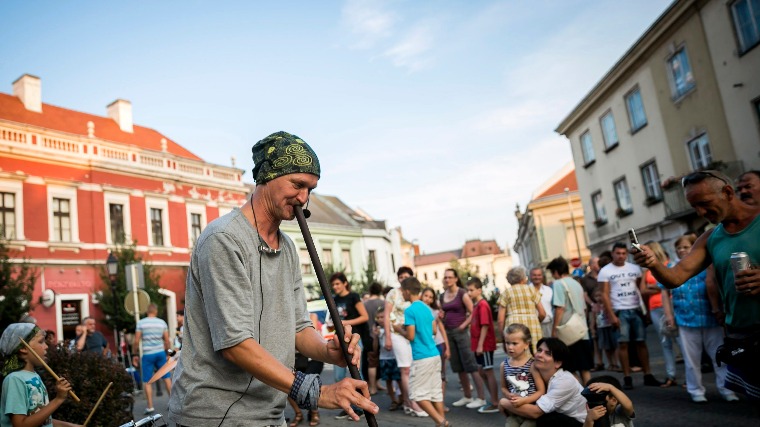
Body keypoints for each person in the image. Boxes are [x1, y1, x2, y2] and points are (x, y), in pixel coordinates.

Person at [167, 131, 378, 426]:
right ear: (267, 176)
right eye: (297, 185)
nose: (303, 198)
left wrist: (328, 351)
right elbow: (235, 344)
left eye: (310, 189)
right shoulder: (224, 239)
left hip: (269, 413)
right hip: (216, 415)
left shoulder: (287, 247)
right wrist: (318, 392)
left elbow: (298, 327)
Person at [633, 169, 760, 399]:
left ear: (727, 192)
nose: (701, 212)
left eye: (704, 203)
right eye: (694, 207)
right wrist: (653, 263)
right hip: (741, 336)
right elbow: (676, 277)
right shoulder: (711, 238)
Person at [662, 234, 737, 403]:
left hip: (711, 317)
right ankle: (695, 390)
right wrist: (669, 315)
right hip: (685, 319)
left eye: (686, 247)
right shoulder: (672, 267)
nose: (682, 250)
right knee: (691, 359)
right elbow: (664, 292)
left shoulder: (707, 266)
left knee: (719, 356)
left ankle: (727, 389)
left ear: (694, 248)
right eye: (679, 248)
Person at [598, 243, 661, 390]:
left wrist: (646, 311)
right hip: (619, 310)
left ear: (627, 254)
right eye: (618, 253)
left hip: (636, 309)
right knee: (623, 344)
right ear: (612, 254)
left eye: (623, 253)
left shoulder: (634, 269)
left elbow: (641, 289)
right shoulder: (605, 271)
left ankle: (648, 374)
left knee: (641, 342)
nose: (621, 256)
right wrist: (611, 315)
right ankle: (627, 377)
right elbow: (604, 295)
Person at [394, 276, 450, 427]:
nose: (402, 294)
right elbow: (434, 330)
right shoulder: (426, 308)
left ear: (407, 291)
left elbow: (410, 336)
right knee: (435, 392)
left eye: (402, 291)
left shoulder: (410, 310)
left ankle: (441, 422)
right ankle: (441, 423)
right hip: (434, 354)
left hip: (421, 356)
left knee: (416, 395)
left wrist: (399, 329)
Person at [0, 323, 80, 427]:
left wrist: (71, 426)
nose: (46, 346)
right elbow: (20, 424)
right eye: (41, 341)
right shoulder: (15, 379)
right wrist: (58, 399)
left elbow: (43, 420)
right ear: (23, 348)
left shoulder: (34, 376)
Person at [500, 338, 587, 427]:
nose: (539, 355)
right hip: (561, 417)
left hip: (580, 423)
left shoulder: (564, 381)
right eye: (539, 350)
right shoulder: (537, 375)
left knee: (546, 419)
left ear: (557, 363)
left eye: (548, 353)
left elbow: (536, 412)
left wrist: (504, 403)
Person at [440, 268, 487, 410]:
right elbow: (441, 312)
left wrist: (463, 325)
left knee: (471, 365)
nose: (447, 279)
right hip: (448, 333)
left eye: (450, 277)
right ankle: (467, 396)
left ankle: (481, 398)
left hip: (461, 333)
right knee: (458, 366)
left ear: (455, 279)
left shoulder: (462, 293)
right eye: (445, 277)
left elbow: (473, 312)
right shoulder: (442, 295)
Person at [384, 266, 426, 417]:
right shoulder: (393, 293)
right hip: (397, 334)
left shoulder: (414, 294)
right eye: (401, 277)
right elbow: (386, 315)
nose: (403, 279)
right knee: (405, 368)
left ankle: (415, 400)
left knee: (415, 367)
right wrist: (387, 337)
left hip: (412, 334)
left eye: (406, 277)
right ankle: (410, 401)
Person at [326, 272, 369, 420]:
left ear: (345, 283)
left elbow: (365, 316)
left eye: (337, 283)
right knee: (338, 376)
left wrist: (344, 322)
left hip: (354, 339)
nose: (335, 286)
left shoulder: (353, 296)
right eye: (333, 284)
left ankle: (361, 407)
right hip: (339, 340)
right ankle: (348, 407)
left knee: (356, 373)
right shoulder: (334, 299)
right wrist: (333, 325)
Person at [547, 256, 593, 385]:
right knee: (584, 368)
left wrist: (554, 330)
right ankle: (590, 393)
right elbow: (584, 307)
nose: (553, 276)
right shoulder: (576, 283)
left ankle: (579, 393)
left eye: (552, 273)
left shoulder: (558, 284)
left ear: (556, 271)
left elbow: (560, 308)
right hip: (581, 330)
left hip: (567, 332)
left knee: (570, 368)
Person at [642, 241, 680, 388]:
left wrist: (654, 287)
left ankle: (691, 378)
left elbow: (673, 284)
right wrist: (661, 287)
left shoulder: (668, 265)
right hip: (654, 308)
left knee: (680, 340)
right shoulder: (647, 269)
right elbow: (643, 290)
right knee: (665, 342)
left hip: (670, 305)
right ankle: (671, 375)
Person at [499, 323, 545, 427]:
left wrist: (524, 400)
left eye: (514, 343)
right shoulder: (504, 365)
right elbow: (503, 387)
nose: (510, 347)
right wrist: (508, 394)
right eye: (507, 343)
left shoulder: (532, 365)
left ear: (526, 344)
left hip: (530, 411)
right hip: (514, 411)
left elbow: (541, 391)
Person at [466, 277, 500, 413]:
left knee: (488, 371)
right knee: (482, 371)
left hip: (485, 345)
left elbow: (485, 325)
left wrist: (480, 345)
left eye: (471, 290)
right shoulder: (476, 305)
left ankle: (495, 402)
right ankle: (492, 400)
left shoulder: (483, 305)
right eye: (468, 290)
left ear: (479, 290)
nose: (469, 293)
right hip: (478, 345)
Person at [133, 303, 172, 415]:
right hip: (160, 353)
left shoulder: (141, 323)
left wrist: (134, 354)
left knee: (147, 381)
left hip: (148, 354)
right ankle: (172, 403)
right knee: (166, 377)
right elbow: (167, 340)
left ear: (147, 311)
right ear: (156, 311)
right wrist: (168, 353)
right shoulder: (162, 322)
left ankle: (150, 406)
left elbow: (136, 341)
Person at [288, 312, 325, 427]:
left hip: (312, 358)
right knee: (288, 385)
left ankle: (314, 412)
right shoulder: (285, 317)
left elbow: (309, 337)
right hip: (296, 358)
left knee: (310, 384)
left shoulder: (311, 316)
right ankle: (298, 414)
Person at [497, 267, 546, 353]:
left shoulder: (506, 293)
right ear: (523, 279)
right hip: (532, 324)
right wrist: (536, 321)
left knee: (516, 353)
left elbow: (500, 320)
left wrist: (503, 336)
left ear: (509, 280)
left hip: (513, 324)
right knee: (535, 352)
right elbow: (542, 313)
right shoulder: (532, 290)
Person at [421, 287, 450, 406]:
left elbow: (441, 329)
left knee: (441, 374)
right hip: (425, 346)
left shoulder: (435, 311)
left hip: (438, 344)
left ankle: (441, 404)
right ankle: (431, 403)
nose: (428, 299)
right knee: (428, 375)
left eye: (431, 297)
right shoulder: (416, 309)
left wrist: (447, 347)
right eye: (426, 296)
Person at [374, 307, 402, 411]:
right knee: (388, 381)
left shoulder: (393, 328)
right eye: (378, 317)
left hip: (395, 357)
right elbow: (375, 347)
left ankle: (402, 398)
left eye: (382, 317)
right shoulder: (378, 330)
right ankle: (394, 400)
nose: (380, 319)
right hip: (384, 358)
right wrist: (375, 336)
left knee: (399, 380)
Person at [590, 288, 620, 373]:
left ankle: (616, 363)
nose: (598, 298)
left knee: (614, 345)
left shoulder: (609, 304)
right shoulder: (595, 307)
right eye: (596, 296)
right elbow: (593, 318)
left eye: (600, 295)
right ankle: (610, 363)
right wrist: (593, 328)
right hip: (601, 328)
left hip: (610, 326)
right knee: (606, 347)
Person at [363, 282, 385, 395]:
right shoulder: (383, 303)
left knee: (371, 361)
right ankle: (375, 384)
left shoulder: (364, 304)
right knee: (378, 361)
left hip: (369, 336)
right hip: (382, 335)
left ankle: (373, 386)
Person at [529, 268, 554, 339]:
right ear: (530, 276)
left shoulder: (549, 290)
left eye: (539, 275)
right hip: (533, 326)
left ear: (542, 276)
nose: (537, 277)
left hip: (549, 325)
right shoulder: (526, 290)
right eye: (534, 275)